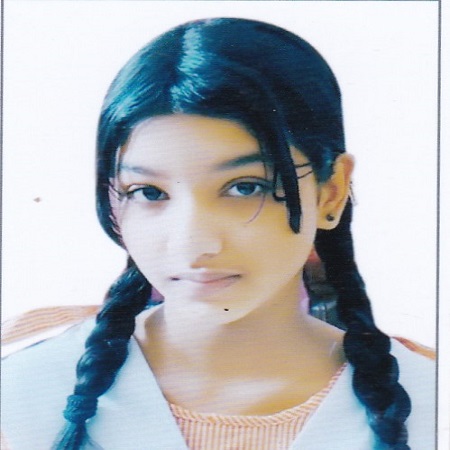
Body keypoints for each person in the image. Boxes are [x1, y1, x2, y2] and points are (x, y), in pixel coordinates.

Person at [1, 18, 435, 450]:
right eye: (149, 192)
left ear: (331, 192)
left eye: (246, 187)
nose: (192, 241)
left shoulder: (431, 406)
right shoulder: (21, 398)